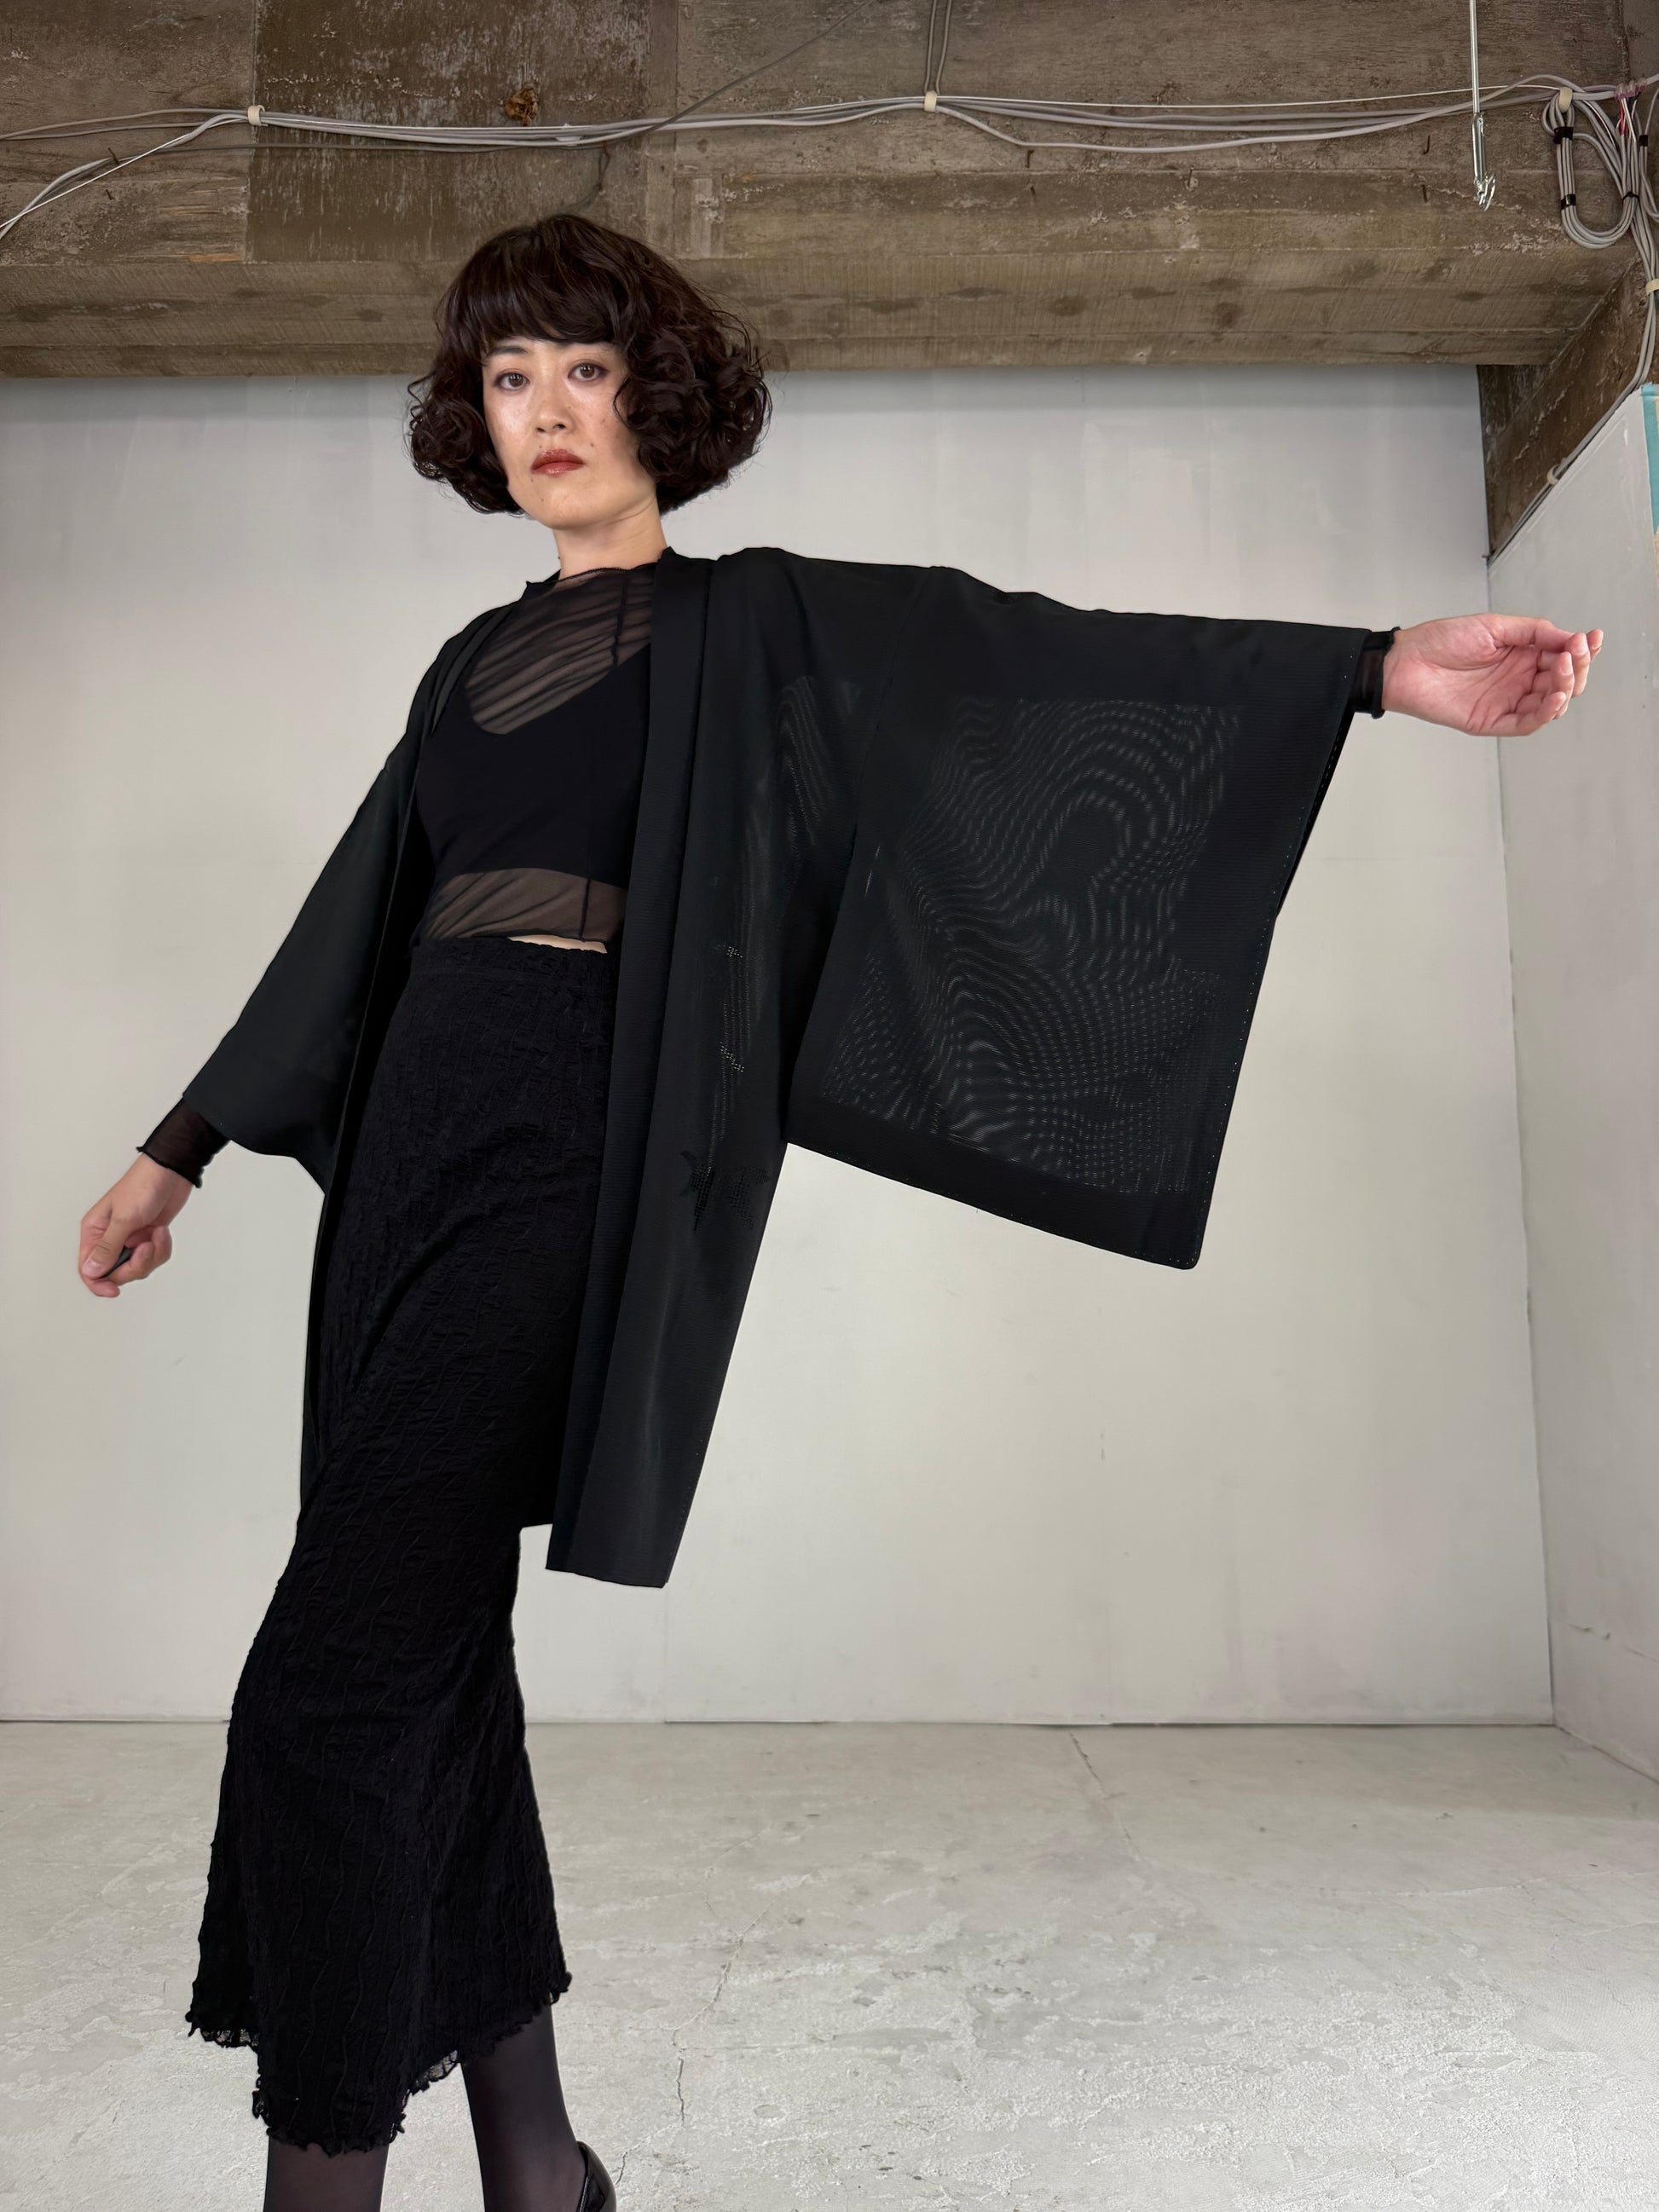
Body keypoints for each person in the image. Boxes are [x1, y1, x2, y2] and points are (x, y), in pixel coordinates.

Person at [75, 210, 1602, 2212]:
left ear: (657, 394)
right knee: (424, 1648)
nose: (545, 408)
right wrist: (180, 1143)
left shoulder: (759, 623)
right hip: (404, 1168)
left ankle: (324, 2185)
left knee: (336, 1674)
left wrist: (1371, 670)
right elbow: (351, 918)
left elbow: (1029, 652)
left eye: (584, 366)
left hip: (577, 1152)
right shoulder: (467, 663)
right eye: (509, 375)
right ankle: (538, 2167)